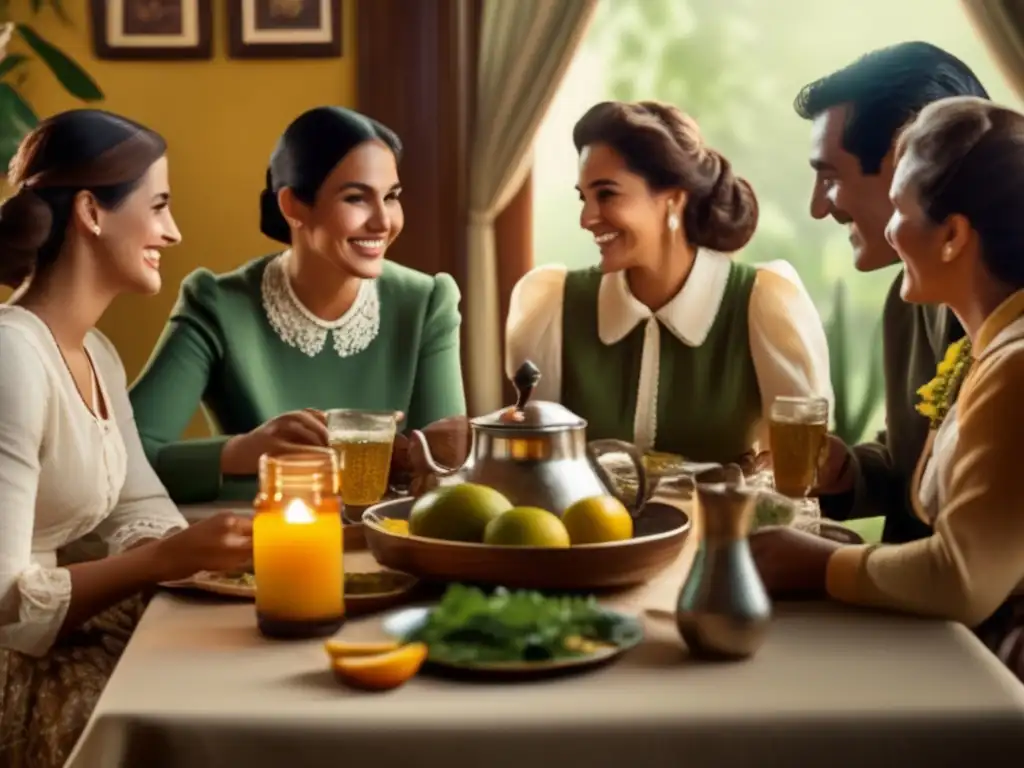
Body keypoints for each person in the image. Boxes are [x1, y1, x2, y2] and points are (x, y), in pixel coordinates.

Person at [0, 110, 253, 768]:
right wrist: (160, 563)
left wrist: (205, 547)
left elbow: (139, 504)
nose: (173, 232)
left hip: (57, 632)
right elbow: (4, 605)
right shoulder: (11, 357)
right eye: (160, 206)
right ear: (91, 211)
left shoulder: (98, 356)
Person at [752, 96, 1024, 681]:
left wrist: (817, 563)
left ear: (952, 234)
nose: (890, 230)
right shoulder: (985, 349)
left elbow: (964, 578)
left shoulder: (1016, 366)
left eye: (899, 209)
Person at [129, 106, 467, 504]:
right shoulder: (217, 304)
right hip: (257, 543)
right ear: (292, 206)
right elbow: (119, 459)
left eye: (391, 197)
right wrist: (242, 452)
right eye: (356, 198)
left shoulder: (427, 302)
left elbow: (447, 473)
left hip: (384, 545)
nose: (382, 221)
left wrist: (418, 457)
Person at [505, 100, 832, 464]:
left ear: (674, 199)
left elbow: (798, 470)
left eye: (607, 194)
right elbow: (539, 464)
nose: (586, 218)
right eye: (584, 198)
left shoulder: (763, 302)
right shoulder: (553, 303)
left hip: (726, 522)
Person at [794, 42, 989, 543]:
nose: (819, 208)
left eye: (830, 178)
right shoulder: (907, 301)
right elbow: (917, 461)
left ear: (916, 158)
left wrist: (826, 567)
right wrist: (848, 472)